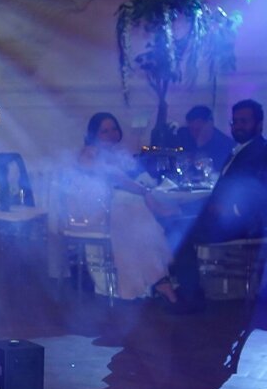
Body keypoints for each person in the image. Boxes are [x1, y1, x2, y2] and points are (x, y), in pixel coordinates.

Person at [169, 99, 267, 312]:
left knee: (180, 233)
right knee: (175, 222)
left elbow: (256, 192)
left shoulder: (260, 151)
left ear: (259, 124)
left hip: (242, 222)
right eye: (235, 122)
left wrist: (227, 210)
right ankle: (181, 287)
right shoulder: (242, 149)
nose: (238, 126)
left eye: (244, 121)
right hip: (227, 216)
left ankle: (191, 298)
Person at [70, 112, 177, 303]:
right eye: (104, 131)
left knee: (133, 212)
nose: (111, 134)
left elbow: (129, 177)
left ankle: (157, 280)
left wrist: (145, 190)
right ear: (94, 134)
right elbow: (114, 178)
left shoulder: (116, 154)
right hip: (90, 211)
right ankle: (159, 279)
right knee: (133, 209)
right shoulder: (90, 152)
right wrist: (145, 192)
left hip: (113, 206)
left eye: (113, 129)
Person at [175, 105, 234, 173]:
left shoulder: (226, 146)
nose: (194, 133)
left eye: (198, 130)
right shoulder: (186, 139)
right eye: (191, 129)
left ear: (210, 124)